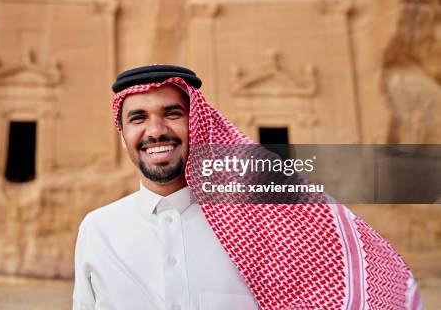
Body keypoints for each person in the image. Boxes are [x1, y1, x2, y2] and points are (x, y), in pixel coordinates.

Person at [72, 65, 422, 310]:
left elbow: (369, 277)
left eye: (173, 114)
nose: (156, 130)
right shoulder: (98, 230)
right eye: (138, 118)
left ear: (200, 126)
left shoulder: (262, 222)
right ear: (123, 135)